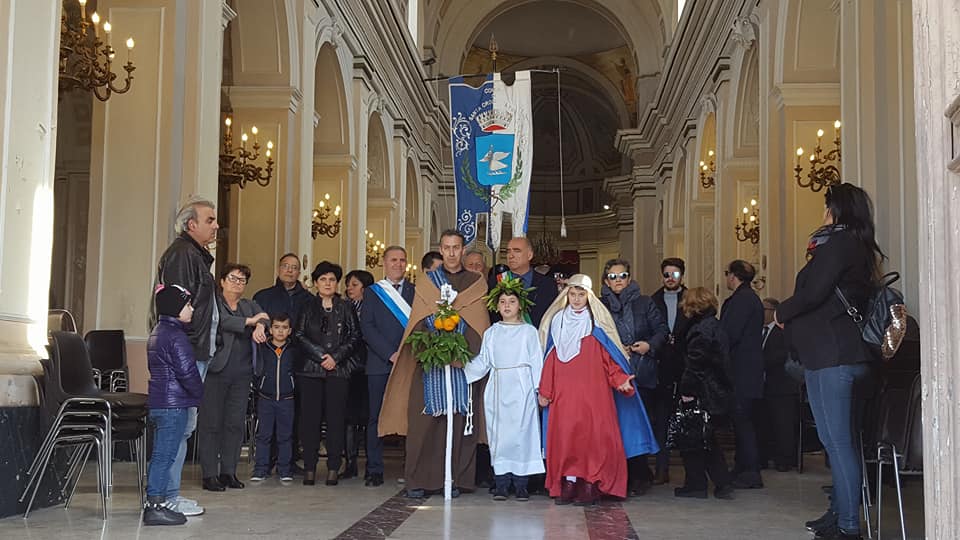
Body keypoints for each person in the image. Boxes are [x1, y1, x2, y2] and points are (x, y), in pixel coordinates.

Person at [775, 183, 884, 540]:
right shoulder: (849, 245)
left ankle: (849, 525)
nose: (823, 213)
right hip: (825, 355)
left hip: (836, 354)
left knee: (838, 442)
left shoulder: (841, 244)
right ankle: (837, 513)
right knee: (831, 439)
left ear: (838, 208)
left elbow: (815, 292)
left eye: (827, 206)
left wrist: (782, 311)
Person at [380, 229, 490, 498]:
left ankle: (457, 479)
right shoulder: (428, 282)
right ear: (440, 250)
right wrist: (434, 347)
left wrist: (460, 352)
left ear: (463, 250)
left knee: (462, 421)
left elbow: (480, 324)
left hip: (464, 364)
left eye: (456, 247)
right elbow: (417, 320)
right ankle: (420, 480)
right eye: (447, 247)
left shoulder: (476, 282)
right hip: (429, 363)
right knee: (424, 423)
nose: (452, 253)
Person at [537, 274, 659, 505]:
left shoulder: (596, 324)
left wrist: (621, 379)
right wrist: (545, 390)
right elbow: (550, 358)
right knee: (565, 439)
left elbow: (609, 359)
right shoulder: (557, 322)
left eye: (581, 294)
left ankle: (591, 484)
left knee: (593, 441)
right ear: (566, 295)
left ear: (589, 296)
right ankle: (569, 484)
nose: (576, 299)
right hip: (564, 396)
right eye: (572, 294)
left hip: (594, 396)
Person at [150, 196, 218, 517]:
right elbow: (176, 307)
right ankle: (167, 498)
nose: (216, 225)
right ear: (191, 225)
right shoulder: (181, 255)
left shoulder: (196, 255)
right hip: (186, 353)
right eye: (209, 220)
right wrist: (187, 356)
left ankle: (169, 495)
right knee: (178, 427)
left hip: (193, 350)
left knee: (184, 427)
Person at [463, 277, 545, 501]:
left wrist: (540, 390)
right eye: (502, 302)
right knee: (500, 436)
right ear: (496, 306)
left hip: (522, 388)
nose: (507, 305)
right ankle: (501, 483)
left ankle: (521, 485)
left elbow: (537, 361)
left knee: (523, 434)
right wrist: (461, 368)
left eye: (511, 301)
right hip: (498, 387)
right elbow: (483, 362)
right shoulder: (492, 332)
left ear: (520, 305)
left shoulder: (529, 332)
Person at [600, 258, 668, 496]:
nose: (618, 281)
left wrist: (649, 345)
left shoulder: (645, 302)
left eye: (622, 276)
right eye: (612, 277)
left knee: (640, 425)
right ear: (606, 281)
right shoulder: (599, 306)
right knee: (618, 427)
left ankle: (641, 475)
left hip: (642, 370)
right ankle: (618, 476)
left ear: (629, 278)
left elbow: (662, 330)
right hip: (612, 375)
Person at [199, 263, 269, 492]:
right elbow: (220, 323)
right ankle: (209, 474)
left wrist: (260, 325)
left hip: (242, 373)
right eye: (233, 278)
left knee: (235, 424)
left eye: (242, 280)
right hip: (216, 371)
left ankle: (228, 471)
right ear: (222, 281)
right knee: (211, 423)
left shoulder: (249, 305)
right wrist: (249, 322)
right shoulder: (214, 303)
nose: (237, 283)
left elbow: (266, 317)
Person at [296, 261, 363, 486]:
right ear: (315, 283)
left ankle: (334, 466)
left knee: (336, 420)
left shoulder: (346, 307)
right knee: (310, 420)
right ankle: (310, 467)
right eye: (323, 279)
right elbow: (299, 334)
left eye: (332, 279)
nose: (327, 283)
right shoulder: (307, 306)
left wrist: (335, 357)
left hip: (338, 370)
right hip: (310, 371)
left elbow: (355, 337)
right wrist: (319, 356)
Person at [144, 284, 203, 526]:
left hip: (161, 402)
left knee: (162, 454)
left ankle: (158, 502)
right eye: (188, 304)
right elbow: (187, 372)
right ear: (176, 308)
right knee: (164, 456)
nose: (192, 308)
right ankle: (155, 506)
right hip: (173, 404)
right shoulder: (175, 336)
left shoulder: (160, 331)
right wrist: (199, 394)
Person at [360, 246, 415, 487]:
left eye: (402, 260)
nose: (398, 264)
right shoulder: (372, 293)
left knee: (411, 417)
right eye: (393, 260)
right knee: (376, 417)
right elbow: (368, 327)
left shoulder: (416, 291)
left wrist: (405, 355)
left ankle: (412, 467)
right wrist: (390, 353)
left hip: (410, 363)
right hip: (380, 363)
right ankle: (374, 469)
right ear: (384, 263)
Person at [674, 287, 735, 500]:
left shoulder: (700, 330)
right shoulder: (714, 326)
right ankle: (721, 482)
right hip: (716, 391)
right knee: (707, 439)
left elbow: (696, 365)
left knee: (693, 439)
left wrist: (687, 392)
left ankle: (697, 484)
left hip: (702, 392)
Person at [719, 259, 765, 489]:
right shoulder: (751, 299)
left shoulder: (741, 300)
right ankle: (742, 467)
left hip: (741, 371)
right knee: (743, 422)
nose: (726, 277)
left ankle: (750, 471)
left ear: (734, 276)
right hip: (749, 370)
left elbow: (730, 334)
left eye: (727, 273)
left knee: (744, 423)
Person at [650, 257, 690, 485]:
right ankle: (661, 468)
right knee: (661, 420)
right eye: (666, 274)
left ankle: (693, 473)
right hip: (661, 367)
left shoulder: (691, 299)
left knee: (687, 419)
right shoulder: (653, 300)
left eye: (674, 275)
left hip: (685, 366)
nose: (670, 278)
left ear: (681, 276)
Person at [250, 313, 296, 483]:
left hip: (287, 399)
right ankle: (261, 469)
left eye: (284, 327)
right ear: (270, 329)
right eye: (276, 327)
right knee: (264, 435)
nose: (280, 331)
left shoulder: (293, 349)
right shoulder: (263, 347)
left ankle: (284, 469)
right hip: (265, 398)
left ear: (290, 330)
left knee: (285, 436)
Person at [759, 298, 801, 472]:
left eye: (763, 308)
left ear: (772, 311)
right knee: (768, 423)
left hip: (783, 386)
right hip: (767, 386)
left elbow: (780, 356)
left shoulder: (782, 331)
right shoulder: (760, 331)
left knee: (783, 424)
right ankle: (770, 456)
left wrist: (758, 362)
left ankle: (784, 460)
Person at [342, 268, 374, 480]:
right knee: (349, 418)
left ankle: (372, 463)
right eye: (348, 285)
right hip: (349, 368)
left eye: (354, 285)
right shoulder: (343, 308)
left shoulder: (374, 308)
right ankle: (350, 462)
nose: (348, 289)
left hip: (370, 367)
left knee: (370, 417)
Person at [489, 237, 559, 328]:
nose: (511, 255)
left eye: (517, 251)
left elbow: (552, 318)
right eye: (508, 251)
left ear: (529, 255)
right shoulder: (496, 282)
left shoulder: (548, 284)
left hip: (537, 339)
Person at [252, 253, 312, 322]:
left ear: (298, 274)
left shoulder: (309, 299)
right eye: (285, 266)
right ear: (278, 270)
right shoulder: (262, 297)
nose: (289, 270)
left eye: (294, 267)